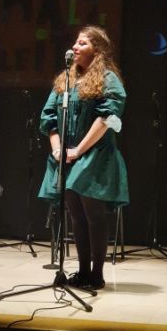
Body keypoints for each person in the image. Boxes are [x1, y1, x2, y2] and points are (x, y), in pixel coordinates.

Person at [38, 25, 129, 290]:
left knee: (93, 216)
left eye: (82, 43)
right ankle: (82, 271)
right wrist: (57, 149)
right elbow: (49, 118)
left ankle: (97, 274)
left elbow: (106, 118)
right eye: (76, 43)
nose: (75, 47)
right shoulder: (65, 80)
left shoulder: (108, 79)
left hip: (94, 155)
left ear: (97, 50)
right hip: (66, 156)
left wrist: (79, 150)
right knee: (75, 216)